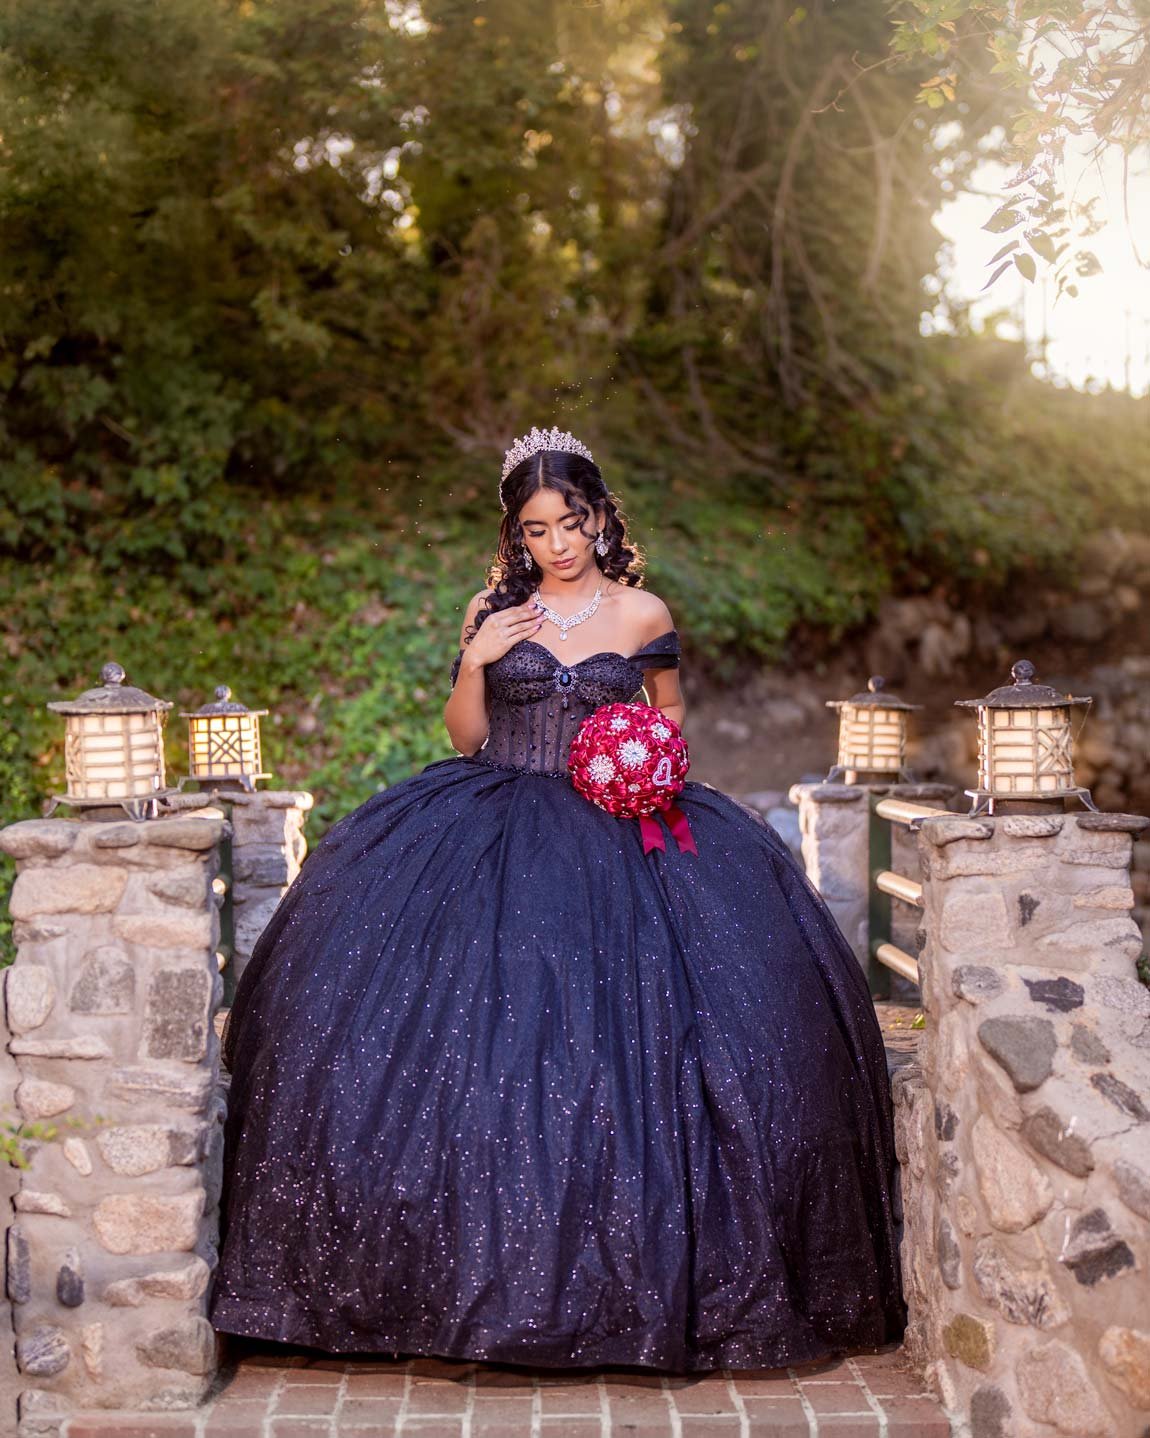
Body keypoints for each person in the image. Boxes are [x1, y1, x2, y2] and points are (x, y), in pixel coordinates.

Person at [209, 426, 907, 1373]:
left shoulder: (642, 611)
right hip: (494, 818)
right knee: (465, 1031)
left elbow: (667, 710)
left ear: (599, 517)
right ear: (517, 535)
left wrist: (646, 759)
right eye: (536, 530)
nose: (557, 544)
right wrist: (476, 659)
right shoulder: (493, 611)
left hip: (624, 826)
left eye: (570, 523)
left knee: (670, 1029)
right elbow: (465, 737)